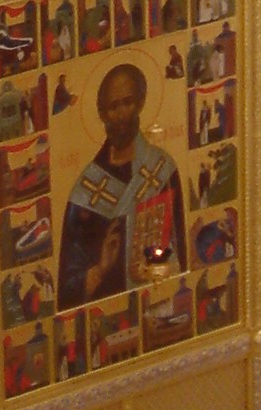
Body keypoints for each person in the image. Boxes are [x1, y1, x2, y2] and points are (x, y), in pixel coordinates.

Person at [56, 64, 185, 310]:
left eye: (128, 102)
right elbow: (68, 288)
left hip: (159, 302)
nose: (122, 114)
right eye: (113, 107)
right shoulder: (85, 191)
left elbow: (180, 245)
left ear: (140, 103)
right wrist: (100, 269)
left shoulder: (162, 168)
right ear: (102, 114)